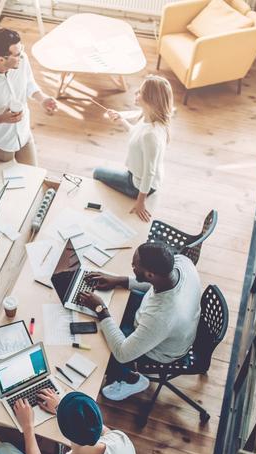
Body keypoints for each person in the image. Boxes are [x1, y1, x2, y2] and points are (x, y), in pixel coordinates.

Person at [78, 242, 201, 401]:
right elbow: (153, 285)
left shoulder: (163, 317)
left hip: (161, 350)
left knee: (102, 347)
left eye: (135, 266)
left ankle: (132, 379)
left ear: (149, 274)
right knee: (113, 311)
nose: (132, 267)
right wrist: (119, 280)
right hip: (159, 318)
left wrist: (100, 309)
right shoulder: (181, 262)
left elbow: (123, 354)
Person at [0, 391, 136, 454]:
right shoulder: (121, 441)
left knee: (2, 451)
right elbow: (100, 429)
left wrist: (28, 427)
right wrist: (61, 408)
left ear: (64, 431)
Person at [0, 28, 58, 166]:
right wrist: (1, 119)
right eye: (16, 54)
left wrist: (43, 99)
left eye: (20, 50)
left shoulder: (22, 60)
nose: (21, 56)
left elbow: (29, 83)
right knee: (7, 182)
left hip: (24, 135)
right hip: (2, 143)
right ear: (0, 59)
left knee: (32, 175)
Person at [92, 75, 174, 222]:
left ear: (151, 99)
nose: (136, 94)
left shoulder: (151, 135)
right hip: (143, 178)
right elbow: (137, 135)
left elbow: (149, 173)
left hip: (137, 185)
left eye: (140, 92)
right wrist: (121, 120)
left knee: (97, 173)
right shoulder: (151, 119)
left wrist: (140, 201)